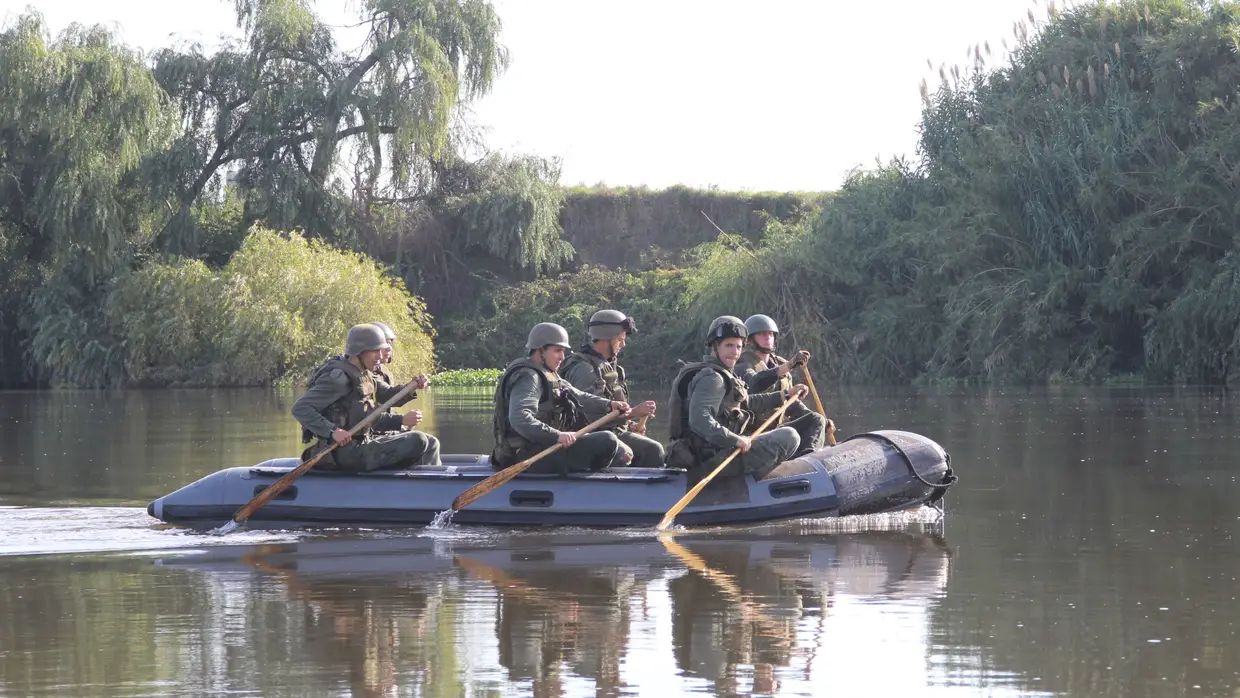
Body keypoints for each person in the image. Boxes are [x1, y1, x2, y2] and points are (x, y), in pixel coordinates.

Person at [665, 316, 821, 477]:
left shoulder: (723, 373)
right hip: (711, 459)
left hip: (719, 451)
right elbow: (700, 420)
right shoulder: (712, 378)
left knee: (809, 423)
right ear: (715, 346)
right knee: (789, 436)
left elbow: (748, 402)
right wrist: (735, 440)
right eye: (729, 346)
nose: (735, 352)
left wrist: (787, 395)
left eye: (739, 346)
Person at [293, 323, 440, 471]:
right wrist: (332, 431)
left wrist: (412, 386)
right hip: (345, 452)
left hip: (363, 442)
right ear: (359, 351)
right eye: (375, 351)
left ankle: (428, 483)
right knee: (418, 440)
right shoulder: (338, 379)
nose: (381, 356)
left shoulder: (364, 373)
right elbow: (300, 409)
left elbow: (389, 395)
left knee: (431, 442)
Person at [492, 322, 632, 474]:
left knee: (617, 450)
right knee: (607, 440)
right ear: (540, 350)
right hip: (526, 455)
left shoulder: (549, 373)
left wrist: (609, 405)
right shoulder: (529, 377)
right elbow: (519, 418)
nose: (562, 357)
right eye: (557, 351)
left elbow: (578, 396)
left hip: (542, 448)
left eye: (563, 351)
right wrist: (557, 435)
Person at [560, 309, 666, 469]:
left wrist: (630, 424)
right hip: (590, 437)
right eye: (620, 339)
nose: (623, 344)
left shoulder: (612, 368)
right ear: (605, 339)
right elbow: (590, 417)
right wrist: (634, 412)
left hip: (613, 431)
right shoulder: (584, 369)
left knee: (653, 450)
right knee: (629, 453)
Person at [733, 313, 834, 450]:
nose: (768, 338)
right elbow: (755, 383)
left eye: (770, 334)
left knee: (816, 419)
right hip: (755, 432)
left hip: (778, 428)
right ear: (750, 340)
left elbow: (790, 403)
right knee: (793, 431)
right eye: (762, 334)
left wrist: (816, 419)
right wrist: (789, 365)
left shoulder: (779, 363)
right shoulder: (742, 364)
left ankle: (807, 458)